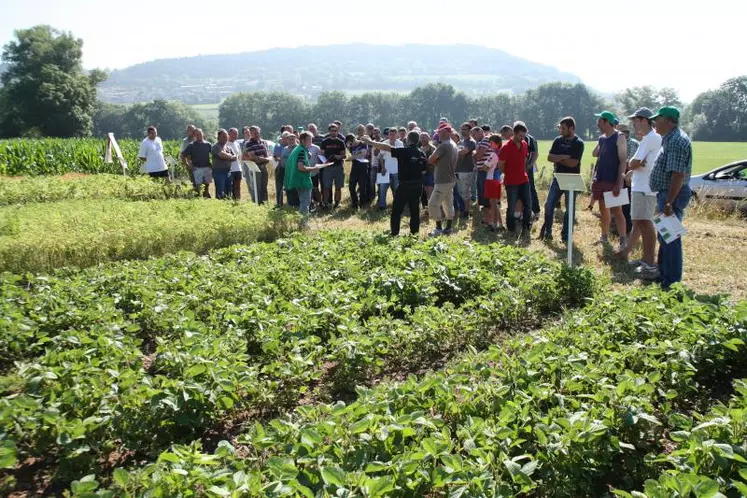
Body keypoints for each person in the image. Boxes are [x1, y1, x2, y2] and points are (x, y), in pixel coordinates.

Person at [612, 108, 661, 278]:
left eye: (636, 120)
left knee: (645, 223)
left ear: (645, 120)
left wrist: (634, 165)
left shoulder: (650, 139)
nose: (633, 123)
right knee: (638, 221)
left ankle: (648, 261)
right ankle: (630, 253)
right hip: (641, 185)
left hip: (645, 187)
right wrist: (635, 166)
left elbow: (634, 162)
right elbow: (638, 163)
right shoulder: (649, 139)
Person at [648, 106, 692, 289]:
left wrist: (668, 202)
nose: (654, 123)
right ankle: (664, 274)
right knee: (664, 236)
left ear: (668, 120)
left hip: (671, 195)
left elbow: (678, 175)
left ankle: (671, 282)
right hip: (667, 194)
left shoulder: (675, 141)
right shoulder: (670, 138)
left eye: (657, 119)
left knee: (670, 238)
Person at [365, 130, 428, 235]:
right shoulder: (421, 153)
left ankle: (395, 233)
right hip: (417, 185)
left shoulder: (403, 151)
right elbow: (424, 170)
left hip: (404, 185)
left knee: (397, 210)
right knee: (415, 211)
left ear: (408, 140)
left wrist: (370, 142)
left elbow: (385, 147)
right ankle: (414, 234)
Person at [539, 116, 585, 242]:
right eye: (560, 128)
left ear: (572, 128)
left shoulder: (579, 143)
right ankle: (547, 232)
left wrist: (558, 158)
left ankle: (565, 236)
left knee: (569, 209)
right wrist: (564, 157)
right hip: (557, 177)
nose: (561, 130)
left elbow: (573, 163)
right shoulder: (557, 141)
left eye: (563, 128)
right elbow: (549, 157)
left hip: (572, 179)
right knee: (549, 205)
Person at [591, 111, 628, 250]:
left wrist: (619, 183)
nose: (598, 123)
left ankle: (623, 240)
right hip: (600, 179)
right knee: (603, 209)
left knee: (617, 211)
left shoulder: (620, 137)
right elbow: (595, 154)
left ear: (607, 122)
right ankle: (604, 237)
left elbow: (623, 161)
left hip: (613, 180)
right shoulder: (601, 138)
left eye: (600, 121)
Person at [497, 121, 532, 236]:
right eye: (521, 136)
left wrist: (523, 170)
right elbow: (501, 164)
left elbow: (525, 160)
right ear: (514, 133)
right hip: (511, 182)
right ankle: (511, 228)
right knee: (511, 206)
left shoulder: (525, 144)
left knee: (528, 204)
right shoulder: (506, 147)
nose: (522, 138)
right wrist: (508, 173)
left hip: (524, 179)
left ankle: (526, 225)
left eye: (524, 136)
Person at [285, 131, 326, 220]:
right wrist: (314, 168)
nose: (311, 141)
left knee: (303, 202)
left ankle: (302, 221)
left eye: (311, 139)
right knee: (305, 202)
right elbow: (301, 167)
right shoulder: (301, 151)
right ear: (303, 140)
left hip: (297, 179)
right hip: (303, 180)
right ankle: (303, 224)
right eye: (308, 139)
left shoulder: (298, 149)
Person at [427, 124, 458, 236]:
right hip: (450, 179)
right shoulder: (454, 144)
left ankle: (438, 228)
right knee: (448, 203)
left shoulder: (444, 145)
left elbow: (431, 159)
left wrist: (434, 161)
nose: (437, 134)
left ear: (445, 132)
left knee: (433, 204)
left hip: (442, 180)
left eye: (439, 132)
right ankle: (448, 227)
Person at [320, 123, 346, 209]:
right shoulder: (324, 142)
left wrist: (340, 156)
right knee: (326, 187)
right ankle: (326, 204)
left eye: (335, 131)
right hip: (328, 167)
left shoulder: (341, 142)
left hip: (338, 167)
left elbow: (344, 155)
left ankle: (337, 203)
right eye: (332, 131)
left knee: (338, 187)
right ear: (329, 131)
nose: (334, 132)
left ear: (337, 131)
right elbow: (321, 154)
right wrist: (324, 162)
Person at [242, 126, 270, 204]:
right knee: (257, 187)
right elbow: (252, 156)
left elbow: (266, 153)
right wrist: (263, 159)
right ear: (251, 133)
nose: (257, 134)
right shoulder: (248, 143)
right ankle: (257, 203)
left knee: (264, 186)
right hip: (255, 168)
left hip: (264, 167)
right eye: (255, 133)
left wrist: (267, 158)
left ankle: (265, 203)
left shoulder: (263, 142)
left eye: (258, 133)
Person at [482, 134, 504, 231]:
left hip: (491, 179)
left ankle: (495, 224)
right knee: (495, 202)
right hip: (497, 179)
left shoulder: (494, 154)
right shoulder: (501, 153)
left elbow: (485, 167)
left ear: (497, 143)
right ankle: (500, 223)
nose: (490, 144)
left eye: (491, 142)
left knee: (493, 203)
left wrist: (484, 167)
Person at [377, 127, 403, 209]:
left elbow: (399, 156)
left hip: (396, 171)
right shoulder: (384, 143)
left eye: (393, 134)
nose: (391, 136)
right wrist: (383, 168)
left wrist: (392, 145)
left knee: (396, 189)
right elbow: (381, 156)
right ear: (388, 134)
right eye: (390, 134)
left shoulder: (400, 144)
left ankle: (396, 205)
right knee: (382, 189)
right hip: (386, 170)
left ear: (397, 135)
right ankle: (382, 205)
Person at [182, 128, 212, 198]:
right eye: (197, 135)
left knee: (207, 185)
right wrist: (188, 165)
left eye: (200, 134)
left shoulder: (208, 144)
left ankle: (206, 199)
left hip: (207, 168)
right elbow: (183, 156)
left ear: (203, 134)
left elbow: (214, 155)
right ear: (194, 136)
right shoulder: (191, 145)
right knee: (198, 186)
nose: (199, 136)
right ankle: (198, 199)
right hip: (197, 168)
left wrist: (212, 164)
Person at [455, 122, 477, 219]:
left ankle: (466, 211)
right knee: (459, 191)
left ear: (470, 131)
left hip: (467, 170)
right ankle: (462, 209)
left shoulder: (471, 142)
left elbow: (464, 152)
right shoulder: (460, 142)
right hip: (458, 170)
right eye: (462, 129)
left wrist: (454, 152)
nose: (463, 131)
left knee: (465, 192)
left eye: (465, 129)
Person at [211, 129, 239, 199]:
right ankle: (220, 206)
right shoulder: (216, 147)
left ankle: (227, 206)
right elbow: (222, 155)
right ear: (218, 137)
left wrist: (228, 156)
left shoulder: (228, 147)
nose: (225, 138)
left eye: (226, 136)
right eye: (223, 136)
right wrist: (230, 156)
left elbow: (235, 157)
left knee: (228, 191)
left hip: (228, 172)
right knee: (220, 191)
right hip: (218, 172)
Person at [347, 125, 369, 210]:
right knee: (351, 186)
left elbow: (363, 154)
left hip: (363, 167)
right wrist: (349, 148)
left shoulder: (364, 142)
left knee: (362, 186)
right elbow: (352, 152)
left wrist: (351, 158)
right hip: (355, 167)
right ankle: (354, 203)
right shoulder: (352, 145)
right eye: (358, 130)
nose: (360, 131)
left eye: (361, 130)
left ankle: (362, 203)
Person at [472, 126, 491, 221]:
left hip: (485, 171)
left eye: (474, 134)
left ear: (480, 132)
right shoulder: (479, 142)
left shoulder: (486, 139)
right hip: (480, 170)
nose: (473, 137)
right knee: (481, 191)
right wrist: (475, 154)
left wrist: (475, 153)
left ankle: (488, 217)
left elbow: (478, 156)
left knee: (485, 192)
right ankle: (486, 216)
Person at [419, 132, 436, 207]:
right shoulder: (420, 149)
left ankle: (432, 208)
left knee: (430, 191)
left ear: (428, 138)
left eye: (424, 137)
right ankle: (427, 207)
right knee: (424, 191)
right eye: (421, 137)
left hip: (430, 173)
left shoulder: (433, 148)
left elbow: (436, 161)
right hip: (422, 174)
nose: (422, 139)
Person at [227, 128, 243, 199]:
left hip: (238, 168)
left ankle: (237, 200)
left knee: (238, 185)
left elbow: (239, 155)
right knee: (230, 186)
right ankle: (230, 200)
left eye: (237, 134)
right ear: (229, 134)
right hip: (230, 168)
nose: (236, 135)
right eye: (234, 134)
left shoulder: (237, 144)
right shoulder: (226, 144)